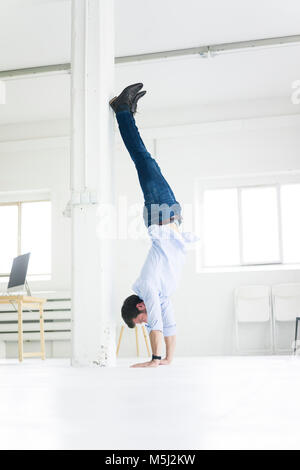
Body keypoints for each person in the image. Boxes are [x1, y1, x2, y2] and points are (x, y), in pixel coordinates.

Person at [110, 83, 197, 368]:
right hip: (170, 214)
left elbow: (156, 324)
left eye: (140, 318)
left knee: (142, 159)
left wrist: (154, 359)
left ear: (139, 306)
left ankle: (122, 110)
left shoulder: (148, 288)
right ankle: (127, 112)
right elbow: (168, 324)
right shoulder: (159, 294)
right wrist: (168, 359)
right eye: (142, 321)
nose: (146, 321)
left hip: (161, 215)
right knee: (146, 160)